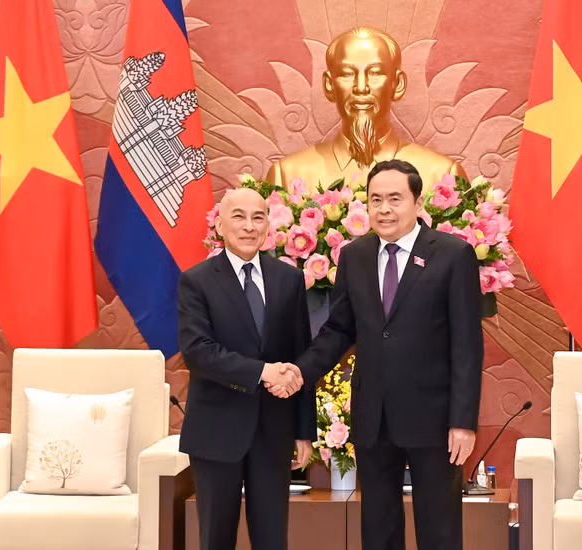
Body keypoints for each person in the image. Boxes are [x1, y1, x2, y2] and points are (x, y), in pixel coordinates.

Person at [294, 159, 484, 549]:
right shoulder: (354, 256)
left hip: (435, 419)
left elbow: (467, 344)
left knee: (439, 529)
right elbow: (339, 330)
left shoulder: (452, 255)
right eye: (375, 199)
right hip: (373, 416)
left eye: (395, 199)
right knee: (378, 529)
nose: (384, 209)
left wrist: (462, 421)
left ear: (417, 203)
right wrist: (298, 372)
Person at [177, 188, 315, 550]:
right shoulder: (197, 281)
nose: (249, 226)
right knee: (216, 538)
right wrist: (263, 372)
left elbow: (301, 355)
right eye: (238, 216)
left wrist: (304, 430)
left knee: (272, 538)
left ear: (269, 224)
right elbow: (197, 352)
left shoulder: (289, 279)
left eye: (258, 217)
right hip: (216, 431)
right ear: (220, 224)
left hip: (273, 431)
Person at [266, 26, 467, 194]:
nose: (360, 87)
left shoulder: (442, 176)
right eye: (346, 74)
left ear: (397, 84)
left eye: (375, 73)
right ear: (329, 85)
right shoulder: (286, 176)